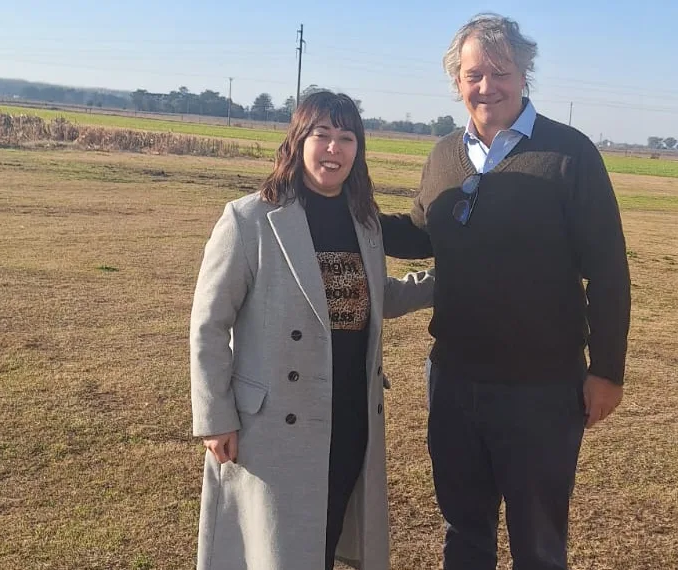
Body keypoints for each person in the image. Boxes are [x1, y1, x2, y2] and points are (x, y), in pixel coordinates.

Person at [380, 13, 631, 570]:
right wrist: (346, 215)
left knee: (538, 545)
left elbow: (609, 271)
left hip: (541, 390)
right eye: (474, 75)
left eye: (501, 72)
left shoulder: (570, 154)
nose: (486, 86)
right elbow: (424, 232)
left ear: (524, 76)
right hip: (453, 380)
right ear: (457, 82)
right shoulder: (444, 154)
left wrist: (607, 370)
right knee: (463, 530)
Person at [190, 91, 434, 570]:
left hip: (349, 413)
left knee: (322, 536)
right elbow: (208, 324)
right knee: (279, 548)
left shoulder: (363, 222)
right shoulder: (249, 220)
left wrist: (445, 284)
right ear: (298, 140)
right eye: (322, 134)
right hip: (273, 423)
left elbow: (374, 295)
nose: (334, 149)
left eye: (346, 138)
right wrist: (216, 416)